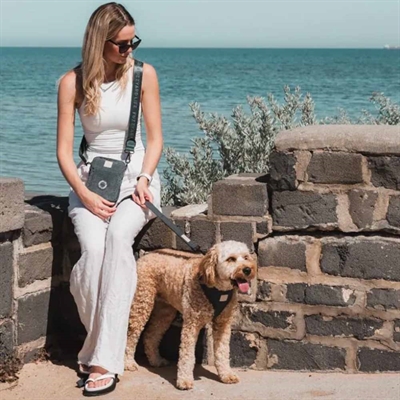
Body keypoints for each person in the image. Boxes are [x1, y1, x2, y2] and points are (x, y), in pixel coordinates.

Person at [56, 2, 162, 396]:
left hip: (138, 183)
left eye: (133, 41)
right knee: (93, 255)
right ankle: (98, 345)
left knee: (118, 240)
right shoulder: (72, 82)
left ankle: (103, 362)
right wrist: (84, 194)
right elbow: (63, 152)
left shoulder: (144, 75)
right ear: (98, 42)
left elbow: (156, 139)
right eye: (121, 44)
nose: (129, 49)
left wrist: (145, 178)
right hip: (90, 186)